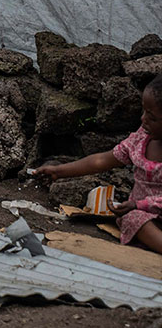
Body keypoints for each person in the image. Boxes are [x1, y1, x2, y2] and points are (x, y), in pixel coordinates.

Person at [33, 76, 162, 256]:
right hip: (144, 216)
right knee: (133, 218)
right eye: (144, 111)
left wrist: (138, 203)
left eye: (152, 117)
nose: (143, 119)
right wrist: (59, 171)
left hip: (146, 207)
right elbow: (102, 160)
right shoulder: (141, 139)